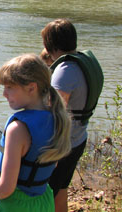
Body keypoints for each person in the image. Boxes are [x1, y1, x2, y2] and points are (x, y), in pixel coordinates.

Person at [0, 54, 71, 212]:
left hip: (17, 204)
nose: (4, 94)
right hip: (44, 200)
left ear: (31, 88)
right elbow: (50, 164)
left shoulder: (17, 130)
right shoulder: (56, 118)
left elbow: (6, 189)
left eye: (9, 87)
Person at [41, 19, 104, 212]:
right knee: (61, 188)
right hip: (79, 138)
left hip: (63, 145)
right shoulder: (82, 60)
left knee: (46, 192)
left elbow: (55, 113)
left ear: (49, 44)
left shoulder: (65, 71)